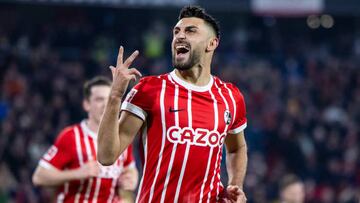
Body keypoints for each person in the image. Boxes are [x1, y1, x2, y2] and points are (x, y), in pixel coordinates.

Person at [98, 5, 248, 203]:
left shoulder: (230, 96)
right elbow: (106, 156)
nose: (179, 36)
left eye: (190, 31)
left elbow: (237, 148)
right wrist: (115, 96)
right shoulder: (150, 90)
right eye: (176, 31)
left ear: (211, 43)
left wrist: (235, 185)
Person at [32, 76, 139, 203]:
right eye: (99, 99)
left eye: (109, 99)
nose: (105, 105)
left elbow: (130, 169)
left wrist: (132, 179)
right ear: (87, 104)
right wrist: (77, 173)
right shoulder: (71, 136)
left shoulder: (120, 136)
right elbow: (39, 177)